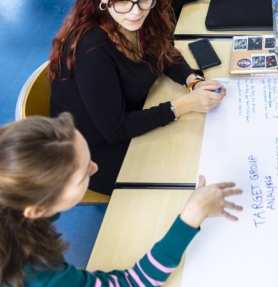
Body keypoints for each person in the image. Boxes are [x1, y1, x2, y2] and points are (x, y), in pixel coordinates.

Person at [0, 114, 242, 287]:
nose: (95, 167)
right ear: (37, 209)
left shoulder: (16, 205)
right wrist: (191, 217)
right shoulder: (37, 282)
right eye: (84, 174)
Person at [49, 0, 225, 194]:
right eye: (123, 2)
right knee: (191, 165)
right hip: (95, 154)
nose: (136, 12)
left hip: (130, 118)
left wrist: (193, 81)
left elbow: (163, 52)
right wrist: (182, 105)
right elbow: (116, 129)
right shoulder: (91, 49)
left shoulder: (146, 16)